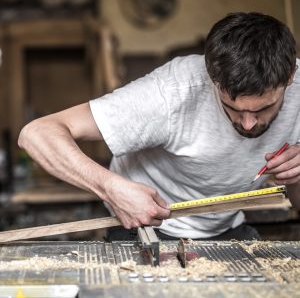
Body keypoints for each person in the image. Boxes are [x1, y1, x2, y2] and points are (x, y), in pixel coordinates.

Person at [18, 12, 300, 241]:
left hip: (227, 228)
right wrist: (111, 188)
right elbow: (37, 134)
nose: (248, 124)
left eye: (263, 109)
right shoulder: (171, 92)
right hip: (146, 227)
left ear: (289, 77)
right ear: (212, 78)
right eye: (233, 109)